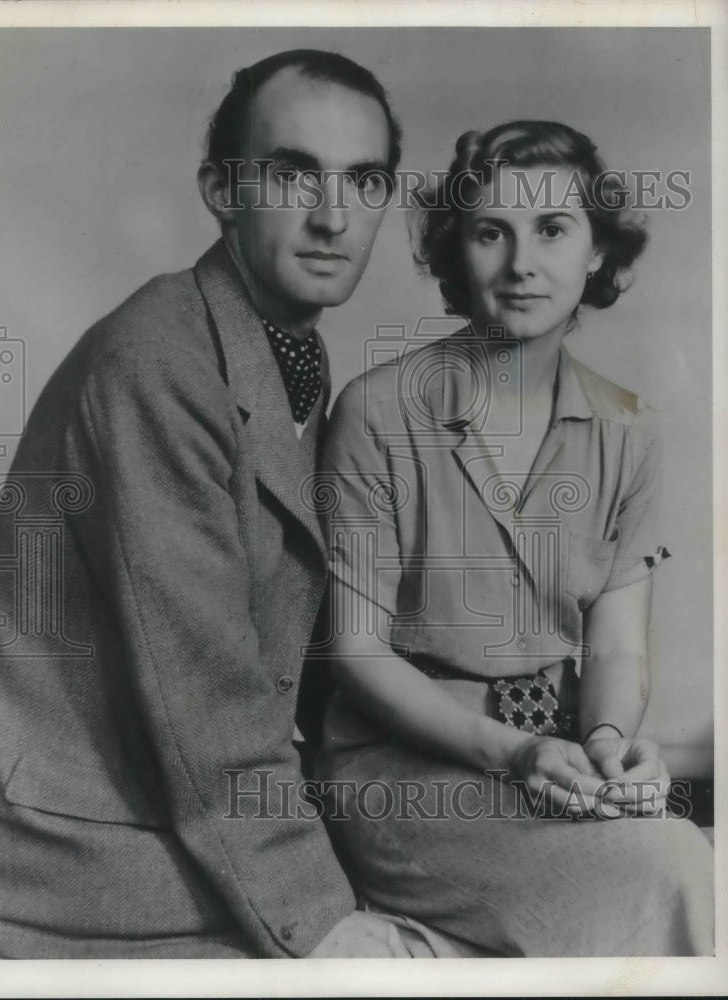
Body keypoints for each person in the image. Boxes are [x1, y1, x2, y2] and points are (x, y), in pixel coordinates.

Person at [0, 48, 419, 959]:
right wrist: (321, 920)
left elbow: (309, 650)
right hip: (65, 842)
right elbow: (205, 694)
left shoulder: (281, 348)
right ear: (222, 191)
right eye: (294, 175)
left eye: (364, 182)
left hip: (176, 808)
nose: (334, 218)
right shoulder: (157, 356)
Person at [314, 120, 714, 956]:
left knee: (677, 850)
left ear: (598, 253)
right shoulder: (377, 411)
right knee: (673, 863)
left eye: (553, 230)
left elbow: (613, 649)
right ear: (458, 251)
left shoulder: (628, 430)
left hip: (553, 754)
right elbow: (355, 653)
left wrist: (604, 741)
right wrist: (515, 753)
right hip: (400, 773)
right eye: (490, 231)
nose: (521, 262)